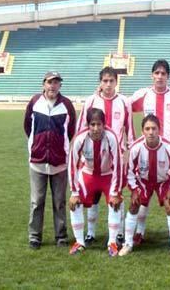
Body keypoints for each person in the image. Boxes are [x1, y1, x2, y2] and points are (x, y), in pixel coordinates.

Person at [76, 66, 134, 247]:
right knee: (93, 197)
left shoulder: (124, 102)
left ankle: (118, 234)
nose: (108, 84)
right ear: (100, 83)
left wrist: (127, 155)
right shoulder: (91, 101)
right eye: (105, 81)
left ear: (117, 82)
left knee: (116, 195)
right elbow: (80, 130)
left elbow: (129, 131)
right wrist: (80, 159)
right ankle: (91, 234)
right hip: (92, 159)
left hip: (115, 160)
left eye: (111, 81)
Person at [131, 60, 170, 245]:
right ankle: (139, 231)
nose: (160, 77)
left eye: (163, 73)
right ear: (152, 75)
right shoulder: (143, 94)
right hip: (146, 150)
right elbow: (123, 106)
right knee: (143, 197)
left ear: (168, 76)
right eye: (157, 73)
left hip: (169, 153)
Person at [24, 71, 76, 249]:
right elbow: (27, 127)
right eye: (49, 82)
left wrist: (59, 148)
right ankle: (34, 237)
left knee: (59, 201)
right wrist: (37, 146)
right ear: (43, 84)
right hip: (37, 161)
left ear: (60, 86)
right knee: (36, 202)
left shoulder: (67, 105)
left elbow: (70, 131)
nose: (53, 86)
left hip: (59, 162)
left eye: (56, 82)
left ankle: (61, 236)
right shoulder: (34, 102)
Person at [119, 114, 170, 258]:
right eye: (147, 129)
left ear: (159, 130)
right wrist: (134, 190)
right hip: (144, 181)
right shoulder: (136, 148)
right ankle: (128, 243)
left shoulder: (169, 147)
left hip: (163, 181)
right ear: (142, 131)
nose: (150, 132)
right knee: (134, 205)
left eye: (154, 128)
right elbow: (129, 172)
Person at [68, 108, 122, 256]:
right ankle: (80, 241)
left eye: (99, 124)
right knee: (75, 203)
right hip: (88, 175)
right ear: (88, 125)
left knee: (115, 203)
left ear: (104, 124)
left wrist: (116, 192)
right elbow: (72, 165)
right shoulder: (80, 138)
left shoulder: (111, 137)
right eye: (92, 124)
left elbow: (118, 164)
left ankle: (112, 242)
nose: (96, 128)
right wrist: (74, 192)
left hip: (107, 175)